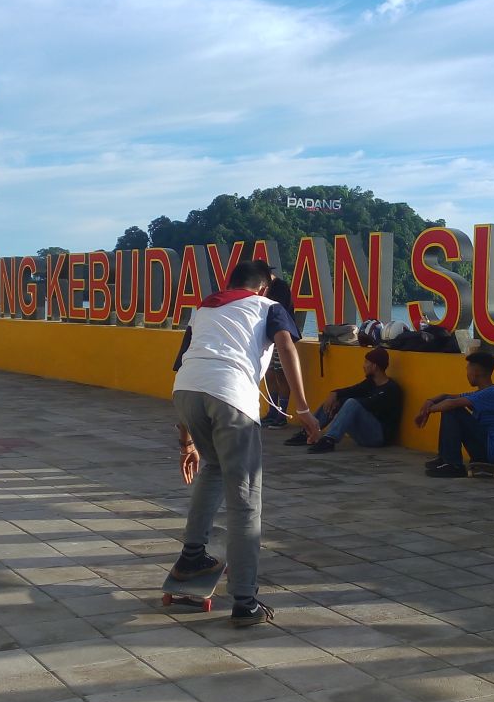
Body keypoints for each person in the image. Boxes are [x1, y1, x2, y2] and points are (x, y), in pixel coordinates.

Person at [169, 260, 320, 627]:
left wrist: (185, 442)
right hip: (231, 398)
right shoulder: (269, 307)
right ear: (265, 286)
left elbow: (186, 366)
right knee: (245, 501)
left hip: (186, 393)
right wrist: (302, 408)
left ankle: (192, 555)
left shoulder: (204, 307)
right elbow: (286, 346)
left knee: (214, 468)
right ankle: (245, 601)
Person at [415, 351, 494, 478]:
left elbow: (451, 403)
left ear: (477, 371)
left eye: (468, 370)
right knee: (450, 406)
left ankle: (453, 465)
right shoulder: (482, 393)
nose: (467, 374)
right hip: (485, 448)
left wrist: (427, 411)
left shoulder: (491, 393)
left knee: (453, 410)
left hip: (490, 452)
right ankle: (445, 458)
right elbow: (447, 396)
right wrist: (430, 401)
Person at [286, 347, 403, 453]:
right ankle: (309, 431)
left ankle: (329, 440)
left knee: (351, 403)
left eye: (367, 362)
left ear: (375, 366)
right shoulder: (371, 383)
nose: (363, 365)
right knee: (338, 400)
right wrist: (335, 394)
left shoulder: (391, 389)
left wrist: (341, 402)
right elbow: (352, 390)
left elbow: (369, 404)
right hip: (364, 435)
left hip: (378, 437)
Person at [260, 268, 295, 428]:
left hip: (282, 335)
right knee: (270, 373)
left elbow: (277, 310)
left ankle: (282, 415)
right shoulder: (266, 288)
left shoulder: (280, 286)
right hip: (269, 336)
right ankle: (272, 411)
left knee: (281, 374)